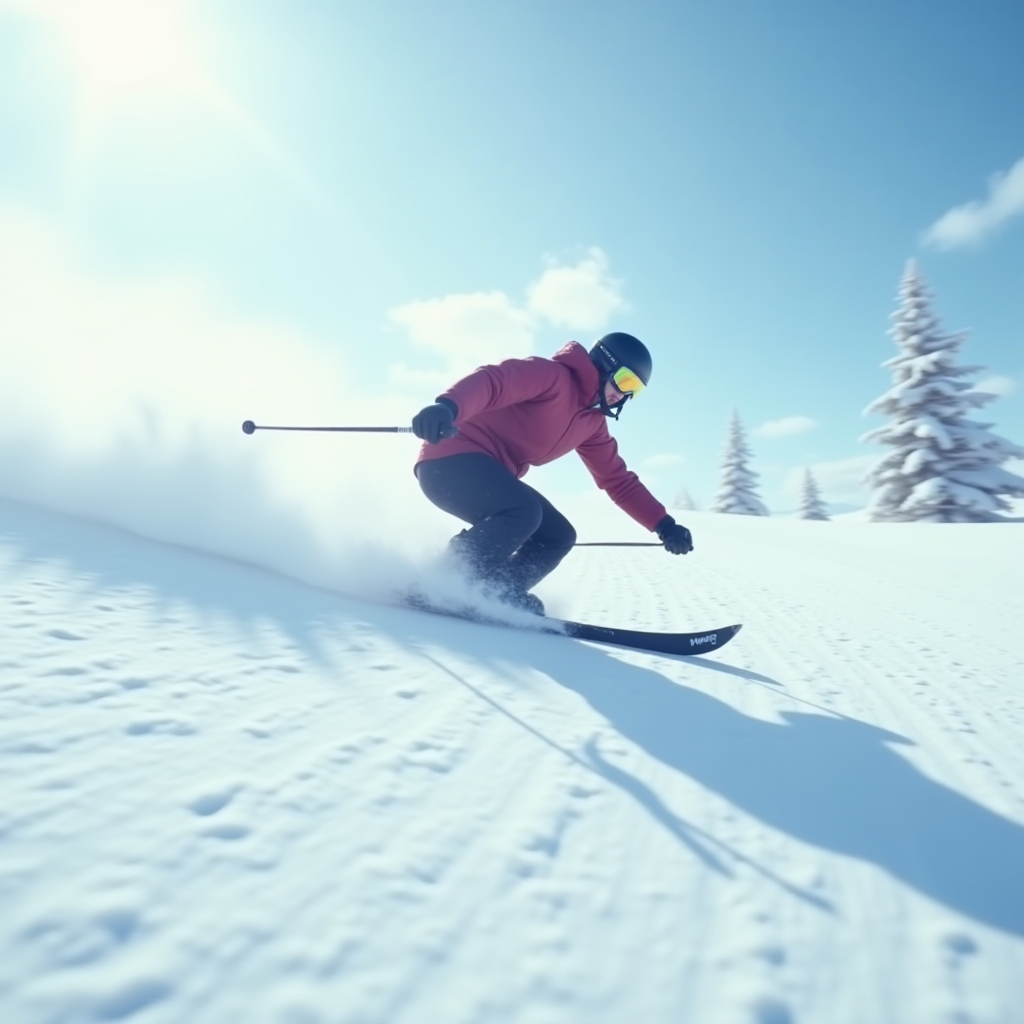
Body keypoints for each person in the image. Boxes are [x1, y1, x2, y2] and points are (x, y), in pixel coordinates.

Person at [411, 332, 694, 615]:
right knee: (524, 512)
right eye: (625, 381)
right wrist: (447, 407)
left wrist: (664, 525)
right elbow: (494, 381)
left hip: (490, 476)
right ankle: (443, 580)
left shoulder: (592, 425)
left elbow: (617, 480)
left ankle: (496, 593)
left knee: (557, 535)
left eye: (636, 390)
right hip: (447, 460)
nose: (624, 394)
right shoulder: (552, 377)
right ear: (604, 365)